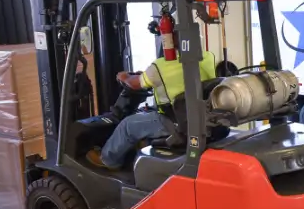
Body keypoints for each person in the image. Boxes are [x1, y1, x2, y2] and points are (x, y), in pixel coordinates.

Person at [87, 47, 217, 169]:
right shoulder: (207, 57)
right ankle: (141, 146)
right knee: (148, 112)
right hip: (199, 116)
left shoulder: (161, 65)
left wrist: (124, 76)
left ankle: (108, 160)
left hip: (175, 122)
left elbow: (135, 83)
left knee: (128, 125)